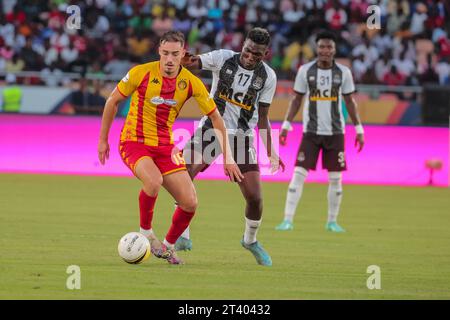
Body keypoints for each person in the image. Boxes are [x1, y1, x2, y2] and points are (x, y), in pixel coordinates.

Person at [98, 31, 243, 265]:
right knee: (153, 181)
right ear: (159, 51)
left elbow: (216, 118)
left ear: (183, 53)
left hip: (165, 147)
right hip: (134, 142)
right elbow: (112, 101)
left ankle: (167, 247)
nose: (169, 59)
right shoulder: (140, 73)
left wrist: (229, 158)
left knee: (190, 202)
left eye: (175, 54)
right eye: (165, 53)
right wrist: (103, 139)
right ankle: (145, 232)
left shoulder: (191, 83)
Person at [177, 27, 285, 266]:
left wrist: (271, 150)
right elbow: (194, 62)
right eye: (247, 50)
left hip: (242, 138)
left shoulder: (268, 76)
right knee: (184, 174)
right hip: (210, 130)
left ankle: (250, 240)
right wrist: (185, 59)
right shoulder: (223, 57)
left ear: (265, 54)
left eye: (256, 54)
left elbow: (264, 116)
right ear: (243, 45)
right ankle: (182, 234)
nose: (249, 56)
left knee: (255, 198)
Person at [275, 30, 364, 233]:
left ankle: (332, 222)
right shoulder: (305, 71)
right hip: (311, 132)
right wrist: (286, 126)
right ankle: (287, 220)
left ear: (334, 49)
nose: (325, 50)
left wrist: (359, 129)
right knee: (298, 174)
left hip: (336, 132)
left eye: (329, 47)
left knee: (335, 178)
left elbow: (350, 101)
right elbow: (296, 99)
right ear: (317, 48)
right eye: (322, 46)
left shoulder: (344, 73)